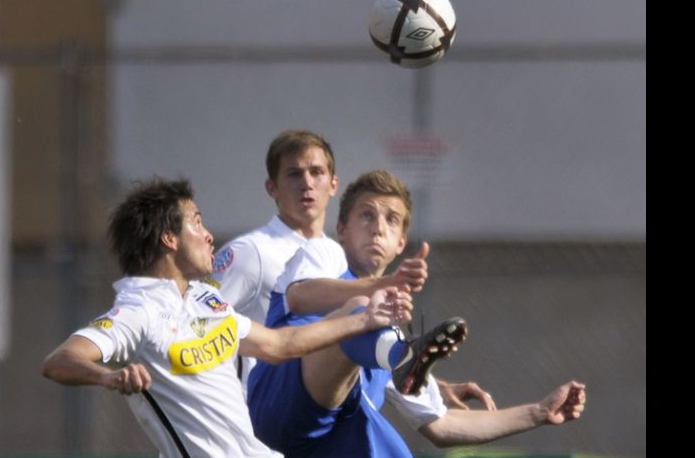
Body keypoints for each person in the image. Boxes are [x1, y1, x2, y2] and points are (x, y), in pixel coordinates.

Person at [40, 177, 415, 458]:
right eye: (197, 222)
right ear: (169, 238)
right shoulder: (138, 310)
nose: (208, 235)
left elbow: (281, 345)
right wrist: (108, 377)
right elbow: (59, 361)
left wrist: (365, 320)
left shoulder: (205, 300)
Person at [247, 170, 586, 458]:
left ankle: (403, 360)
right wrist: (383, 287)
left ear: (401, 243)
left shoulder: (386, 329)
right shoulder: (324, 254)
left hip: (318, 448)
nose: (378, 228)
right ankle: (402, 357)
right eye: (366, 215)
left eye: (391, 220)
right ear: (341, 228)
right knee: (362, 310)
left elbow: (441, 426)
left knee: (380, 422)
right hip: (275, 406)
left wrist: (539, 412)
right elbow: (300, 296)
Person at [210, 129, 495, 412]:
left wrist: (434, 388)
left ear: (333, 184)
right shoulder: (250, 252)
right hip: (249, 416)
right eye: (294, 174)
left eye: (316, 172)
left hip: (306, 418)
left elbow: (340, 347)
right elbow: (200, 325)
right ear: (272, 187)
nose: (307, 183)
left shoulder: (336, 259)